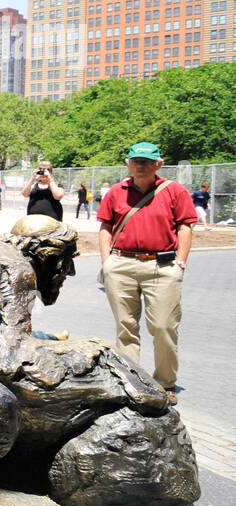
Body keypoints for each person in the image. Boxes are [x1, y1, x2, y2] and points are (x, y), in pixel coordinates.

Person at [97, 141, 197, 404]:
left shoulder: (174, 191)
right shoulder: (116, 192)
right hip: (122, 265)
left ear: (158, 164)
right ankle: (131, 380)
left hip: (162, 266)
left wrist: (181, 263)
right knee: (126, 327)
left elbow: (186, 227)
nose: (140, 165)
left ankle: (165, 383)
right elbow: (106, 227)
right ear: (128, 164)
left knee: (163, 326)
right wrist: (107, 262)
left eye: (146, 161)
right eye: (136, 160)